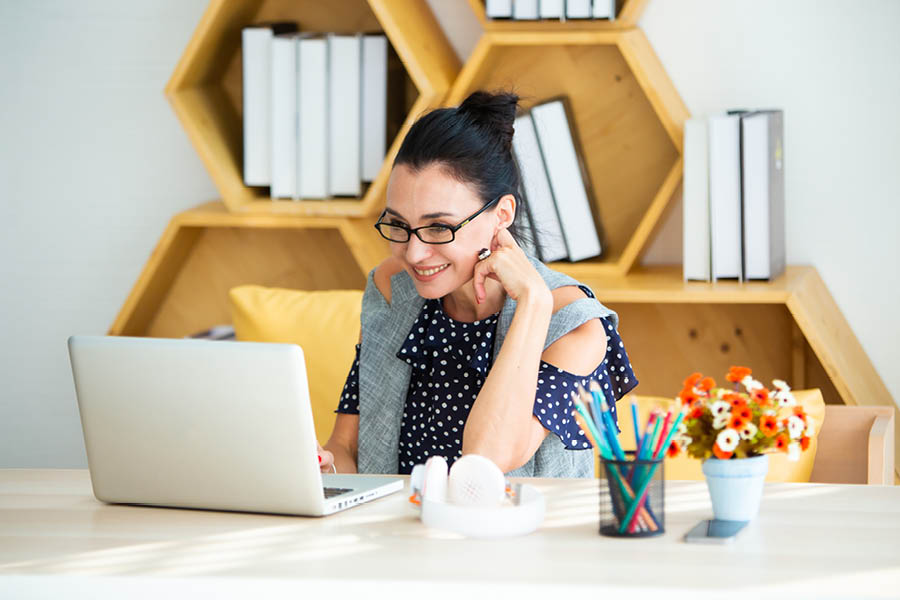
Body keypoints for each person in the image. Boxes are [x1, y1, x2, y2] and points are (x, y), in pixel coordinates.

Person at [318, 90, 637, 478]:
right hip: (399, 533)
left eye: (439, 227)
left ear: (501, 214)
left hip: (518, 537)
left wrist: (533, 303)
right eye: (399, 225)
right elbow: (348, 445)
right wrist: (324, 465)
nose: (414, 254)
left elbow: (488, 457)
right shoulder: (392, 289)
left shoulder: (573, 325)